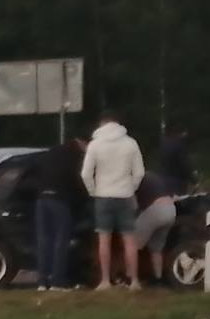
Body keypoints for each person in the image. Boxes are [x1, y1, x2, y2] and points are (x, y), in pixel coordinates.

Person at [81, 111, 146, 291]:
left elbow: (86, 173)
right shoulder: (131, 143)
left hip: (103, 196)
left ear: (102, 123)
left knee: (104, 239)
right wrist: (130, 187)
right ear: (118, 123)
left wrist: (93, 191)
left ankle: (104, 281)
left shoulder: (95, 144)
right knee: (129, 240)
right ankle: (134, 281)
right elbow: (139, 172)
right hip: (125, 195)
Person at [33, 137, 89, 292]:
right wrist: (82, 199)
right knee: (61, 241)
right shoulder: (76, 156)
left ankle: (42, 281)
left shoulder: (52, 152)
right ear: (82, 143)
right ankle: (58, 281)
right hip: (59, 199)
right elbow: (78, 181)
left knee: (44, 240)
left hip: (42, 199)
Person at [134, 171, 177, 286]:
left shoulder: (135, 177)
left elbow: (131, 204)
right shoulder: (154, 176)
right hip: (171, 210)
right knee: (156, 248)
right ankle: (158, 278)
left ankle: (131, 278)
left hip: (156, 209)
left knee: (131, 244)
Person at [158, 123, 197, 196]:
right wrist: (194, 180)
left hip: (163, 179)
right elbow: (185, 164)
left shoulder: (164, 144)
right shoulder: (180, 145)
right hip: (177, 181)